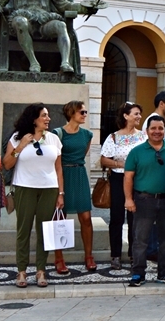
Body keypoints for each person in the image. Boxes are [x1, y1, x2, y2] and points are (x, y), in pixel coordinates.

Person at [3, 104, 64, 288]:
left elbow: (58, 168)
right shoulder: (17, 138)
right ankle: (22, 271)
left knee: (44, 231)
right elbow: (7, 164)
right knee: (24, 231)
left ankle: (41, 270)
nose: (48, 119)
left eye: (48, 115)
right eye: (44, 115)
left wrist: (61, 193)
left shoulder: (53, 139)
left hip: (49, 189)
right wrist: (20, 146)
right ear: (33, 118)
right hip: (24, 188)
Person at [124, 116, 165, 286]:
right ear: (147, 131)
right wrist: (129, 199)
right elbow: (128, 177)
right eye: (153, 128)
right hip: (143, 200)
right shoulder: (136, 152)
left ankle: (164, 273)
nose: (157, 131)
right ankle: (138, 274)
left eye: (160, 128)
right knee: (141, 240)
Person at [100, 101, 145, 270]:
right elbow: (104, 160)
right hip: (118, 180)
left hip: (138, 180)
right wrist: (120, 164)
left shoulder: (143, 136)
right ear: (126, 116)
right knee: (117, 218)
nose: (139, 116)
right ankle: (116, 255)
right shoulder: (113, 137)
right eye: (135, 113)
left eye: (140, 114)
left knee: (136, 219)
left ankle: (134, 254)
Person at [52, 101, 96, 274]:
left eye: (85, 112)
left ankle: (89, 255)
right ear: (71, 113)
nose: (85, 114)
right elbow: (57, 160)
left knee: (86, 217)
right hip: (62, 176)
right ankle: (58, 257)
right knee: (59, 217)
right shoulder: (58, 133)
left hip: (79, 175)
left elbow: (81, 155)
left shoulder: (88, 134)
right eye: (81, 112)